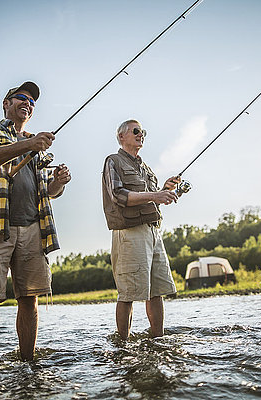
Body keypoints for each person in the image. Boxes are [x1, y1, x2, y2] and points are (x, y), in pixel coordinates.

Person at [0, 81, 71, 367]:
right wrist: (28, 144)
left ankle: (28, 364)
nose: (28, 103)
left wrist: (58, 183)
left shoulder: (36, 143)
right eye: (21, 98)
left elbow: (46, 191)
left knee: (30, 298)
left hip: (33, 228)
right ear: (6, 103)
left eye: (32, 102)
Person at [101, 119, 180, 339]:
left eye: (142, 131)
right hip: (130, 233)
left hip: (153, 232)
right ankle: (122, 344)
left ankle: (158, 339)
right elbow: (118, 194)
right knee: (128, 293)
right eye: (135, 131)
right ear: (121, 137)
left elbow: (150, 199)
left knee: (156, 292)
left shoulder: (145, 167)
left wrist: (165, 190)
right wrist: (155, 195)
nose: (140, 134)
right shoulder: (113, 161)